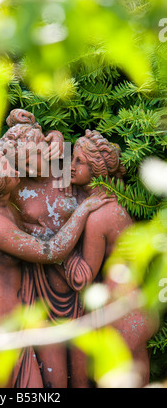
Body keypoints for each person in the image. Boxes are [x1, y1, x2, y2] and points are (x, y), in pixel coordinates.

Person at [0, 147, 112, 388]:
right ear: (2, 183)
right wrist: (83, 209)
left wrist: (55, 141)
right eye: (11, 169)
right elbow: (51, 251)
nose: (18, 169)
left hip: (5, 313)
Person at [65, 129, 159, 386]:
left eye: (79, 162)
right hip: (135, 305)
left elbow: (82, 277)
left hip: (120, 312)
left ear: (96, 170)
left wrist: (61, 251)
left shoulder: (99, 216)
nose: (70, 167)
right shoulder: (114, 205)